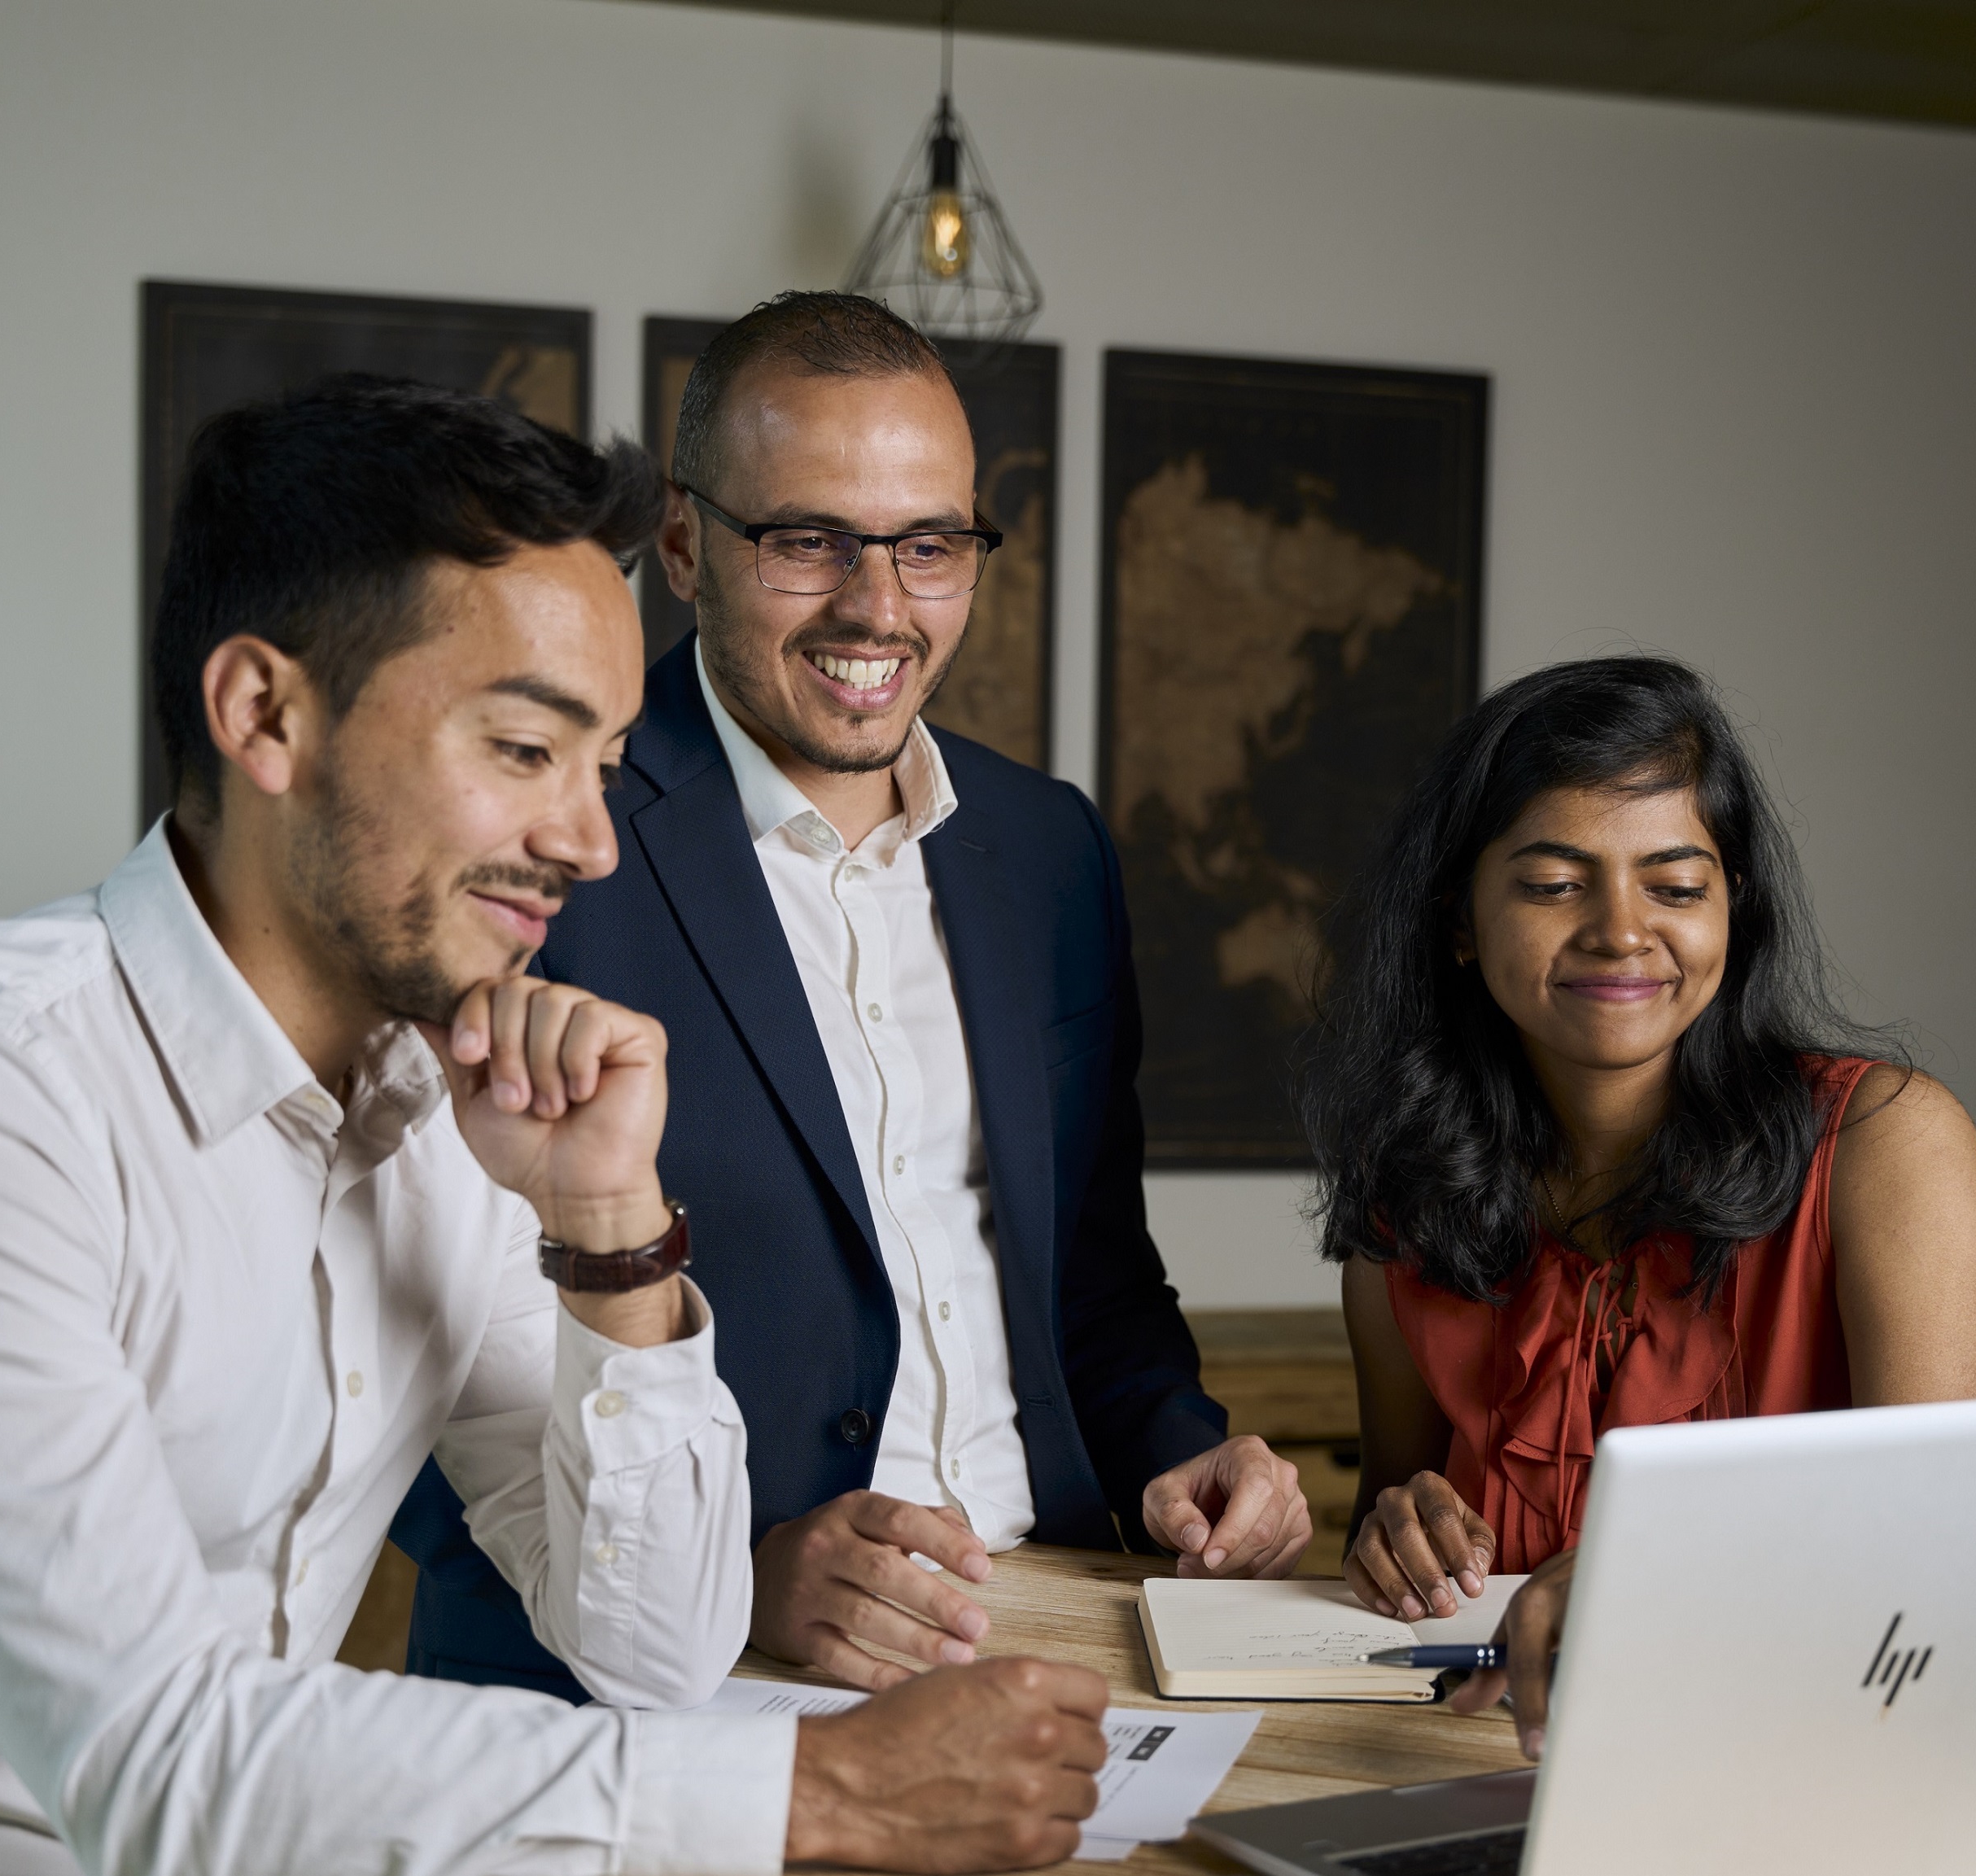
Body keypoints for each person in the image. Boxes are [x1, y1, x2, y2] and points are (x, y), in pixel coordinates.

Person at [0, 376, 1112, 1876]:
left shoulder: (448, 1113)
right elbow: (161, 1768)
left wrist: (608, 1227)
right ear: (266, 716)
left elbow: (653, 1644)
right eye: (524, 748)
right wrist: (825, 1789)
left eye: (601, 762)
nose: (591, 841)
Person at [392, 293, 1309, 1700]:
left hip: (1049, 1626)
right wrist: (729, 1577)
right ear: (687, 547)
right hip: (659, 1680)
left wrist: (1180, 1448)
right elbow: (398, 1344)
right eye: (808, 540)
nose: (877, 607)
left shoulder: (1049, 849)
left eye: (930, 545)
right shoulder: (532, 836)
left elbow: (1090, 1277)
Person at [1298, 658, 1976, 1757]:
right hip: (1490, 1766)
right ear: (1460, 922)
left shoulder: (1885, 1144)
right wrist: (1392, 1535)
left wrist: (1670, 1566)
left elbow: (1943, 1558)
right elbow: (1400, 1522)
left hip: (1808, 1755)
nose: (1620, 931)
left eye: (1673, 885)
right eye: (1550, 883)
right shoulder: (1404, 1216)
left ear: (1733, 914)